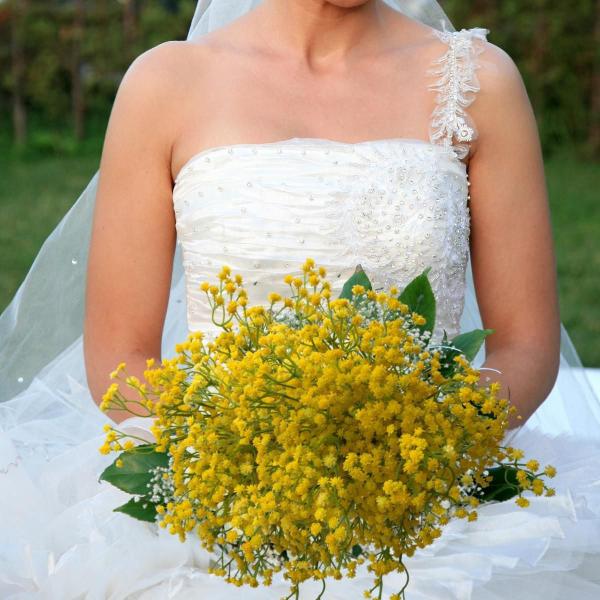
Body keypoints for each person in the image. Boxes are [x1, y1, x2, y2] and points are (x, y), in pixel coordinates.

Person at [1, 1, 600, 598]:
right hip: (221, 504)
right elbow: (119, 356)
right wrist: (247, 471)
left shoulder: (478, 82)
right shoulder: (167, 83)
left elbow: (526, 343)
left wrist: (415, 455)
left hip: (425, 508)